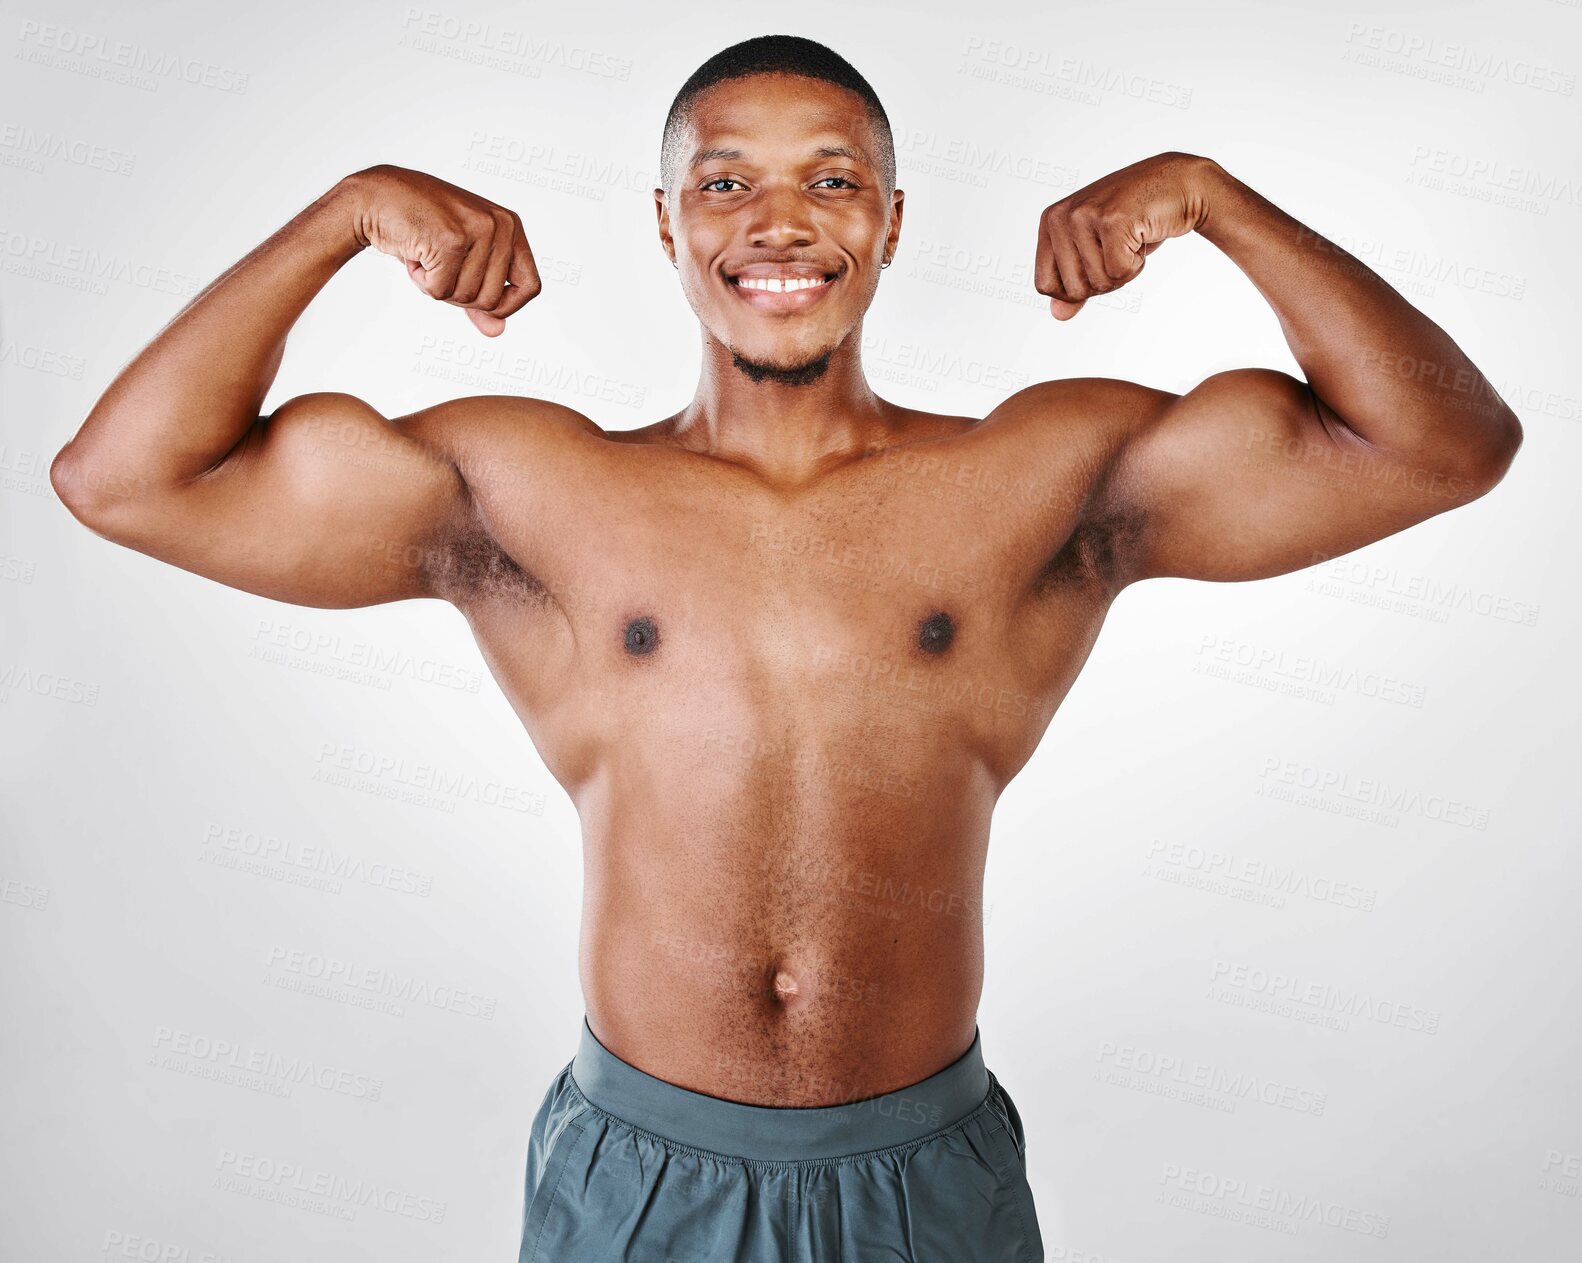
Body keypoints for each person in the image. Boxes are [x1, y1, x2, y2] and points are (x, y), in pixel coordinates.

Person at [50, 32, 1521, 1263]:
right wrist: (344, 212)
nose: (777, 220)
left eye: (830, 181)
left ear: (888, 218)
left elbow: (1440, 446)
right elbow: (124, 481)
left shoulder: (1038, 474)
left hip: (922, 1172)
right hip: (642, 1173)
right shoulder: (535, 488)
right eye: (726, 182)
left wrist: (1215, 199)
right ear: (666, 223)